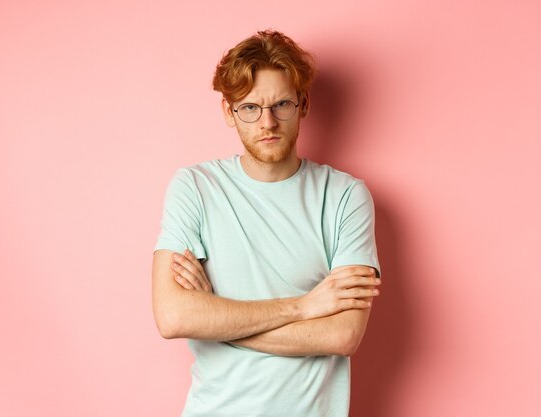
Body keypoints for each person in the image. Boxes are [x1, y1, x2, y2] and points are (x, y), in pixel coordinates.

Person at [152, 29, 381, 417]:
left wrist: (216, 317)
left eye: (282, 105)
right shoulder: (195, 187)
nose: (267, 122)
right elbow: (174, 317)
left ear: (303, 104)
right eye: (250, 108)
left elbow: (342, 335)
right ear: (229, 112)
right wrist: (305, 307)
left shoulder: (344, 196)